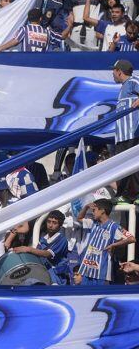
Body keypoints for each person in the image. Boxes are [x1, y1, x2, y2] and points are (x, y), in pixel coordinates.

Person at [77, 198, 135, 285]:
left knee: (98, 294)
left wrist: (114, 244)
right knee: (85, 293)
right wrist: (85, 207)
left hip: (102, 269)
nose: (92, 213)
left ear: (102, 211)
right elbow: (79, 218)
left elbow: (132, 239)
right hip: (87, 267)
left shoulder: (114, 226)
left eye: (94, 210)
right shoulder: (93, 223)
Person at [13, 210, 69, 284]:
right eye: (49, 221)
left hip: (56, 277)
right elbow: (36, 254)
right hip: (43, 274)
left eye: (54, 223)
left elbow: (47, 254)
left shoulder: (62, 240)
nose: (50, 225)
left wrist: (29, 249)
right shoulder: (43, 238)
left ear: (60, 226)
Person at [112, 59, 139, 201]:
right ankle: (126, 195)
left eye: (113, 70)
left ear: (119, 71)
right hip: (121, 136)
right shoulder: (123, 87)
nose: (112, 73)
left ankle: (136, 194)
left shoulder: (134, 81)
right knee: (121, 168)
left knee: (133, 166)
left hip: (132, 132)